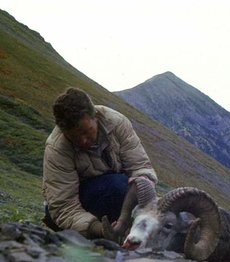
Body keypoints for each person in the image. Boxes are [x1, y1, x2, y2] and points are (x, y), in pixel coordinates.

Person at [42, 87, 158, 238]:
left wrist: (143, 184)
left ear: (95, 116)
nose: (82, 140)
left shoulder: (117, 123)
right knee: (118, 185)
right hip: (74, 207)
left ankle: (127, 230)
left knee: (129, 187)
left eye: (86, 131)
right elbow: (63, 206)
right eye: (74, 137)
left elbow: (140, 167)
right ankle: (113, 232)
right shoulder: (57, 148)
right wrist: (99, 229)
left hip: (113, 192)